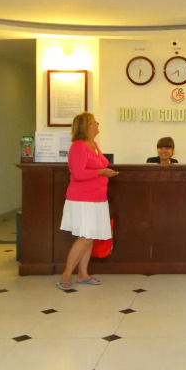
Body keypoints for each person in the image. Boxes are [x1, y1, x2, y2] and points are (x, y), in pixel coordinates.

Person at [57, 112, 117, 291]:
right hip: (82, 199)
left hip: (97, 198)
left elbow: (99, 164)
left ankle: (83, 274)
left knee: (91, 236)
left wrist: (104, 172)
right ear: (87, 126)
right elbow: (78, 173)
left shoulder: (94, 145)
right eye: (94, 122)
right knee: (84, 237)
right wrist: (101, 172)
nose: (98, 124)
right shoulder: (78, 146)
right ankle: (66, 275)